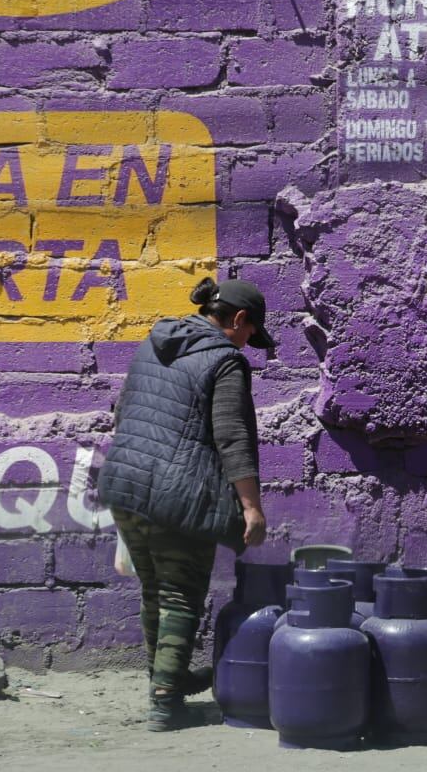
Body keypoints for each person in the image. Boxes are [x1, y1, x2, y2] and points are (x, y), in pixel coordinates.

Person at [97, 277, 275, 731]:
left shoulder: (153, 341)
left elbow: (123, 412)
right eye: (252, 332)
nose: (250, 342)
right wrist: (251, 507)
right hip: (177, 493)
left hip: (124, 484)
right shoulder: (226, 361)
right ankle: (164, 701)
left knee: (154, 591)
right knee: (179, 595)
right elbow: (232, 436)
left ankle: (166, 685)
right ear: (238, 320)